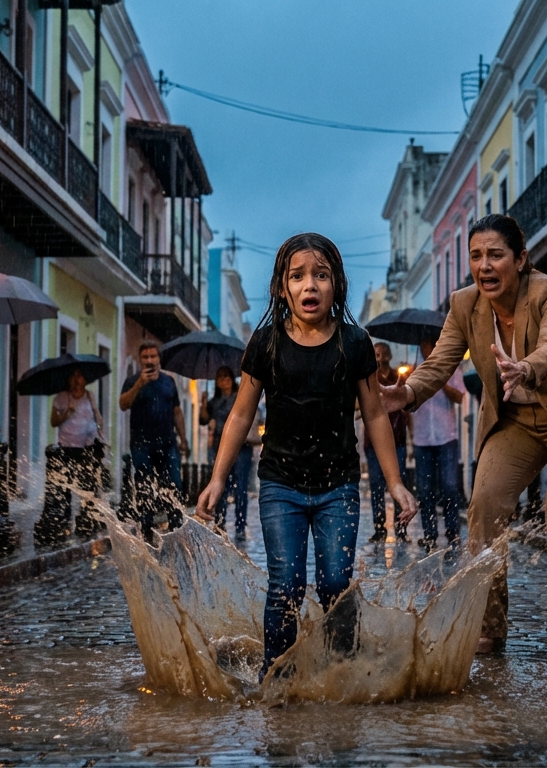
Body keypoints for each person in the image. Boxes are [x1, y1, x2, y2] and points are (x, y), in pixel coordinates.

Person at [383, 214, 547, 653]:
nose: (485, 265)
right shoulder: (464, 305)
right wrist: (405, 395)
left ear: (520, 259)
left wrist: (526, 367)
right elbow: (441, 362)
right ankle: (491, 626)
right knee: (483, 508)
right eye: (476, 256)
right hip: (515, 422)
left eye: (495, 255)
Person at [196, 232, 416, 679]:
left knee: (336, 582)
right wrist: (218, 479)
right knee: (286, 586)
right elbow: (240, 416)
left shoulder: (354, 343)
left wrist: (393, 483)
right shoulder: (266, 343)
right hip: (280, 485)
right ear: (282, 287)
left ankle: (341, 671)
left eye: (321, 275)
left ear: (336, 285)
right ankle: (275, 675)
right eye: (298, 276)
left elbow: (374, 415)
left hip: (339, 486)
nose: (309, 285)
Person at [119, 340, 188, 538]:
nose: (149, 360)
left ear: (159, 358)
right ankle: (146, 530)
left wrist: (184, 439)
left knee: (174, 485)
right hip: (142, 444)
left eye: (153, 356)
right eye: (145, 357)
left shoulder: (169, 381)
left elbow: (177, 411)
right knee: (144, 487)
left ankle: (176, 529)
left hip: (167, 444)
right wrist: (140, 383)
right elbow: (123, 404)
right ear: (141, 360)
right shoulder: (132, 380)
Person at [411, 336, 466, 550]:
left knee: (450, 486)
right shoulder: (415, 372)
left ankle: (452, 532)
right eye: (423, 345)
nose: (427, 348)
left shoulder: (451, 368)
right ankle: (430, 534)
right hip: (422, 438)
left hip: (446, 437)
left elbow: (460, 397)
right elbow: (408, 403)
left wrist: (441, 379)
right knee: (425, 491)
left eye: (430, 344)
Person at [363, 342, 411, 544]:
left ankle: (401, 528)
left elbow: (408, 407)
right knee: (376, 485)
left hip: (397, 438)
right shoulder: (368, 378)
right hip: (372, 442)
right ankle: (379, 527)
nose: (378, 356)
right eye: (375, 354)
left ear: (389, 356)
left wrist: (412, 435)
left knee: (397, 482)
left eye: (381, 353)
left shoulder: (397, 377)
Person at [50, 368, 106, 535]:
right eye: (73, 375)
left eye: (79, 375)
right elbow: (54, 421)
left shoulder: (90, 396)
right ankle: (66, 520)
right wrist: (67, 413)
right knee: (66, 486)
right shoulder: (61, 398)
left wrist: (98, 428)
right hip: (67, 447)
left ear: (84, 380)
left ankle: (87, 518)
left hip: (87, 448)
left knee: (87, 485)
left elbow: (98, 419)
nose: (76, 379)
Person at [199, 366, 252, 539]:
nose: (225, 379)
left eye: (227, 376)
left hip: (242, 448)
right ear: (217, 382)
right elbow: (203, 420)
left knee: (241, 488)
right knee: (220, 485)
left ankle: (240, 525)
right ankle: (220, 524)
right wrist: (203, 404)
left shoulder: (239, 398)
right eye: (221, 377)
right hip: (220, 448)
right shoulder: (214, 402)